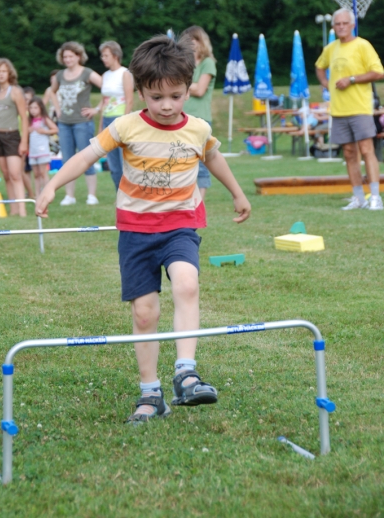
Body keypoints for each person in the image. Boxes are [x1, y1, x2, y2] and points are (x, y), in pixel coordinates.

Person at [36, 34, 251, 423]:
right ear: (142, 92)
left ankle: (186, 373)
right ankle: (151, 393)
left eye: (176, 95)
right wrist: (52, 184)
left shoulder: (198, 128)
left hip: (180, 224)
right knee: (145, 313)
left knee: (187, 283)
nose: (166, 105)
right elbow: (85, 156)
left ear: (188, 89)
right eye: (156, 97)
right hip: (136, 231)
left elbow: (214, 158)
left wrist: (237, 193)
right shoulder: (125, 127)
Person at [315, 8, 384, 210]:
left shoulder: (363, 45)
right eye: (338, 24)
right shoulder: (331, 48)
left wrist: (352, 79)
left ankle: (375, 196)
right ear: (334, 26)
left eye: (345, 23)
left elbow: (379, 72)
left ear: (352, 25)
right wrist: (325, 82)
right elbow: (319, 66)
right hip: (338, 109)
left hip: (360, 107)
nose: (341, 27)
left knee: (366, 150)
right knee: (348, 153)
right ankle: (358, 197)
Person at [50, 42, 102, 206]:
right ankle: (69, 196)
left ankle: (91, 195)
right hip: (64, 123)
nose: (67, 59)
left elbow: (107, 89)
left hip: (82, 123)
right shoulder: (60, 75)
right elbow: (52, 91)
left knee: (87, 158)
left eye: (71, 56)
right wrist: (57, 110)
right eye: (65, 56)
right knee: (67, 160)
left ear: (78, 56)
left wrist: (96, 109)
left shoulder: (87, 73)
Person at [81, 41, 134, 190]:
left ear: (115, 56)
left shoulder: (125, 73)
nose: (103, 58)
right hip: (107, 120)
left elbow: (129, 101)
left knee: (124, 162)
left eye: (106, 55)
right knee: (113, 164)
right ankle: (119, 193)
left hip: (120, 120)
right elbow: (105, 101)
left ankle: (129, 194)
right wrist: (99, 122)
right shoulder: (105, 75)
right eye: (102, 55)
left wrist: (124, 124)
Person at [0, 58, 28, 216]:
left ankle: (23, 210)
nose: (1, 74)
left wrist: (24, 141)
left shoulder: (15, 92)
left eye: (3, 71)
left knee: (15, 174)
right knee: (5, 175)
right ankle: (13, 209)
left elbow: (24, 118)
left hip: (12, 135)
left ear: (9, 73)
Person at [182, 26, 217, 201]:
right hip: (182, 117)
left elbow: (200, 90)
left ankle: (199, 201)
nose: (190, 45)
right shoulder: (184, 63)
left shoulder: (207, 63)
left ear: (201, 42)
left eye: (193, 41)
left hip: (200, 118)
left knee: (202, 162)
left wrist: (181, 87)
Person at [28, 96, 58, 198]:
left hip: (42, 149)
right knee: (36, 174)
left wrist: (45, 131)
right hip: (33, 150)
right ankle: (37, 194)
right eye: (31, 108)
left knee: (42, 172)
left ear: (41, 107)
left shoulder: (44, 120)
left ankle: (47, 193)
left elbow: (55, 129)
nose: (33, 110)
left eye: (35, 108)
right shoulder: (29, 121)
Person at [22, 87, 36, 199]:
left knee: (25, 170)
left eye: (27, 99)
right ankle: (27, 191)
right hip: (21, 143)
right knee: (25, 170)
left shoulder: (31, 114)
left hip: (31, 146)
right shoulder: (21, 112)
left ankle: (31, 192)